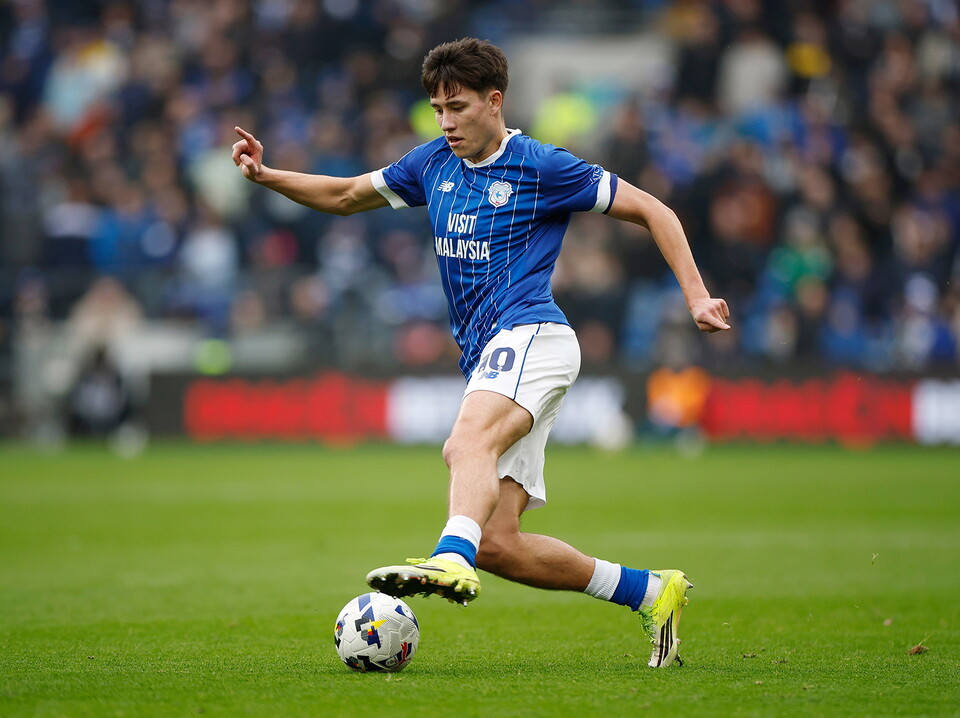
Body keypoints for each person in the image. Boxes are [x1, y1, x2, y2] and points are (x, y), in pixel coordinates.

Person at [233, 38, 730, 668]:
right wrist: (266, 175)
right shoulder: (431, 164)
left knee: (464, 445)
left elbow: (652, 209)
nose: (446, 122)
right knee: (499, 542)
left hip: (534, 336)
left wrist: (697, 297)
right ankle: (651, 592)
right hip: (495, 351)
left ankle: (448, 557)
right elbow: (344, 196)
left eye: (458, 107)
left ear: (494, 102)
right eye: (437, 108)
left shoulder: (542, 165)